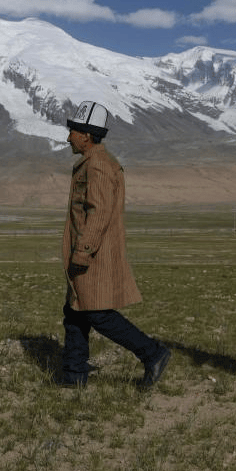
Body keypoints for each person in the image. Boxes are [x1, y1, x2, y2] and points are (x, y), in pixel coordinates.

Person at [57, 101, 171, 389]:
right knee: (75, 310)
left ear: (86, 135)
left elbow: (98, 212)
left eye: (72, 130)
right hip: (88, 252)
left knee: (97, 313)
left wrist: (83, 251)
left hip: (93, 255)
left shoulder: (97, 166)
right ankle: (73, 374)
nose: (68, 136)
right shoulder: (93, 162)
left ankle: (152, 353)